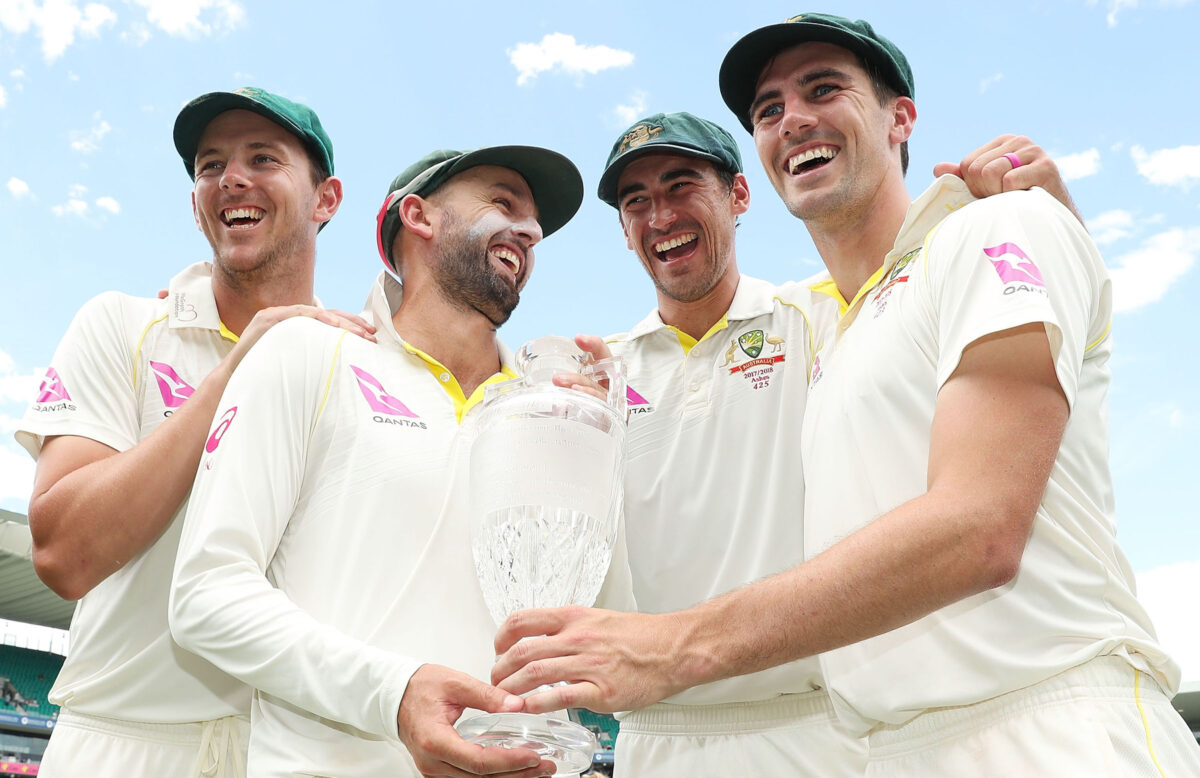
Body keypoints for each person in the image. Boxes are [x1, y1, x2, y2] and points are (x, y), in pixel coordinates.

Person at [493, 13, 1200, 777]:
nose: (793, 119)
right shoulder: (851, 323)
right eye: (768, 110)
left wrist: (1035, 215)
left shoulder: (952, 250)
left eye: (823, 88)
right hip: (883, 746)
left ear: (901, 118)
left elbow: (980, 526)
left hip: (1039, 726)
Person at [168, 145, 632, 777]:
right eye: (503, 203)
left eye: (535, 224)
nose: (529, 230)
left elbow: (605, 620)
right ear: (418, 216)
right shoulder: (307, 353)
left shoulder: (544, 412)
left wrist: (601, 446)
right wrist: (394, 692)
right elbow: (205, 595)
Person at [15, 87, 373, 777]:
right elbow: (62, 554)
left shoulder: (361, 364)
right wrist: (239, 366)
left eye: (262, 158)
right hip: (125, 744)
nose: (231, 178)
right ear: (196, 203)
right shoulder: (121, 326)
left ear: (326, 199)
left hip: (294, 755)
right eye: (211, 166)